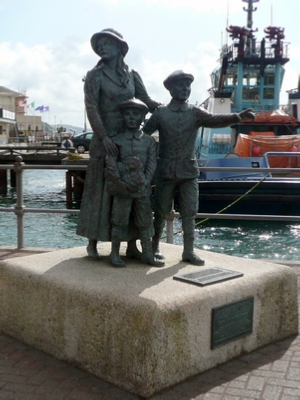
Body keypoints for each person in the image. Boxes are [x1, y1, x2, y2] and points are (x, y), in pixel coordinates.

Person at [143, 70, 255, 266]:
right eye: (180, 85)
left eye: (188, 86)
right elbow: (144, 136)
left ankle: (188, 251)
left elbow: (215, 119)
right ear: (170, 89)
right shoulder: (160, 113)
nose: (185, 89)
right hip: (165, 171)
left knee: (189, 212)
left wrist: (237, 116)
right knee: (160, 211)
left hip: (188, 172)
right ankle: (154, 247)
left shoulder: (195, 112)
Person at [76, 28, 160, 259]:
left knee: (131, 191)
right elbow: (92, 108)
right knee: (99, 194)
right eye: (99, 44)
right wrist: (103, 137)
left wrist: (163, 108)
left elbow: (145, 99)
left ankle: (131, 244)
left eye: (107, 43)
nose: (102, 47)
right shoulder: (95, 75)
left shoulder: (132, 74)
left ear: (120, 46)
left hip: (131, 140)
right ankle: (92, 242)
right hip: (105, 140)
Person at [105, 99, 164, 268]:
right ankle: (114, 253)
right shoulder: (116, 140)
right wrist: (119, 182)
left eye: (136, 114)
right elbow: (110, 162)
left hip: (142, 189)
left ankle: (147, 254)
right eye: (128, 114)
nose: (131, 118)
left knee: (145, 221)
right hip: (122, 189)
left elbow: (152, 163)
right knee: (119, 221)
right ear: (122, 116)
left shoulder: (149, 141)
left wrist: (145, 181)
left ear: (143, 117)